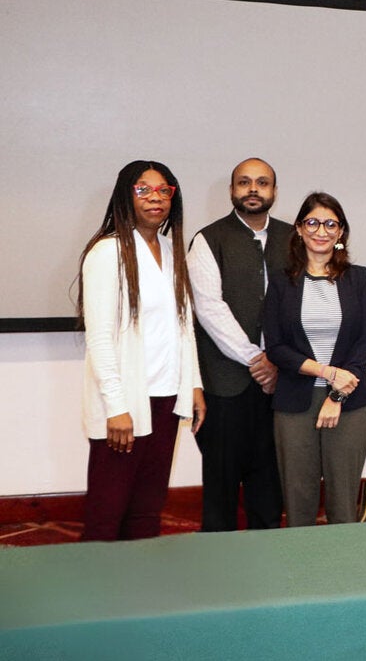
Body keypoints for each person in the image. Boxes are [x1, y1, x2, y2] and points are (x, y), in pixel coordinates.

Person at [78, 160, 205, 541]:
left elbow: (184, 325)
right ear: (125, 196)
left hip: (167, 398)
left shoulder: (169, 248)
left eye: (164, 190)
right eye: (143, 189)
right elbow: (99, 338)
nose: (155, 197)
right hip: (125, 405)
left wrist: (194, 384)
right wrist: (116, 407)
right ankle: (96, 593)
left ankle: (140, 592)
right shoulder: (107, 252)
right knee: (107, 512)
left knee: (148, 509)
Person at [262, 193, 366, 526]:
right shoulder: (283, 282)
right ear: (299, 229)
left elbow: (364, 341)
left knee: (343, 501)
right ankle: (303, 572)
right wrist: (327, 373)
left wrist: (337, 394)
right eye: (312, 222)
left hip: (349, 401)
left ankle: (344, 574)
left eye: (331, 223)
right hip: (295, 400)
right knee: (299, 499)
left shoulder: (359, 279)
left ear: (341, 232)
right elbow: (277, 347)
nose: (321, 231)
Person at [187, 157, 288, 531]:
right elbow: (210, 309)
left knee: (269, 489)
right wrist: (256, 359)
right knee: (221, 492)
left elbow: (300, 306)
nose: (253, 189)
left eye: (262, 183)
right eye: (244, 182)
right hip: (225, 386)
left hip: (279, 387)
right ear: (232, 191)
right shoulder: (208, 239)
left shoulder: (293, 238)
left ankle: (265, 576)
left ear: (274, 192)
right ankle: (220, 577)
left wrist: (277, 361)